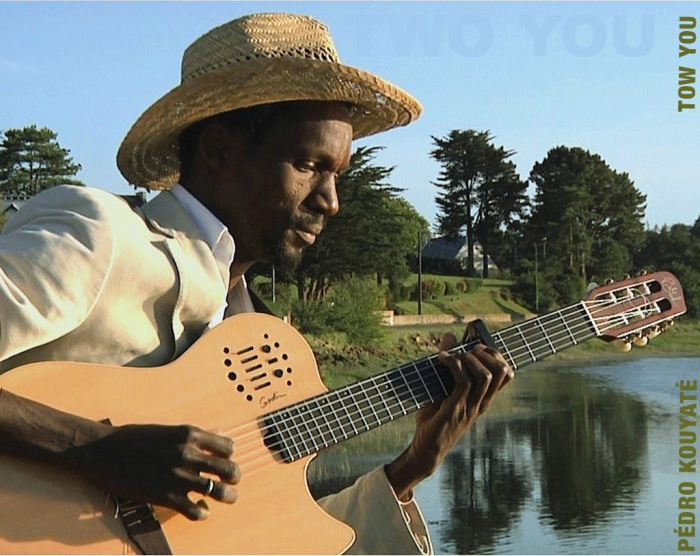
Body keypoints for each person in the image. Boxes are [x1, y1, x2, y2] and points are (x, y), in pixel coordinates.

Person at [0, 12, 513, 554]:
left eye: (338, 173)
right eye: (311, 164)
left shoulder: (257, 332)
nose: (331, 200)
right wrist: (97, 449)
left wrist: (410, 468)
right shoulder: (100, 236)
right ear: (220, 149)